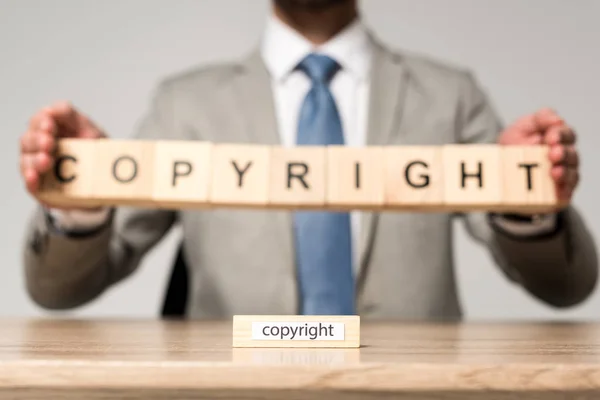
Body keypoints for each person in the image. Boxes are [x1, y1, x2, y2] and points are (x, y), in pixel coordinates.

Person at [19, 0, 597, 319]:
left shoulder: (449, 95)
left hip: (414, 386)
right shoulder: (185, 103)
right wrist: (82, 200)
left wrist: (528, 198)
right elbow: (61, 292)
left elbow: (567, 287)